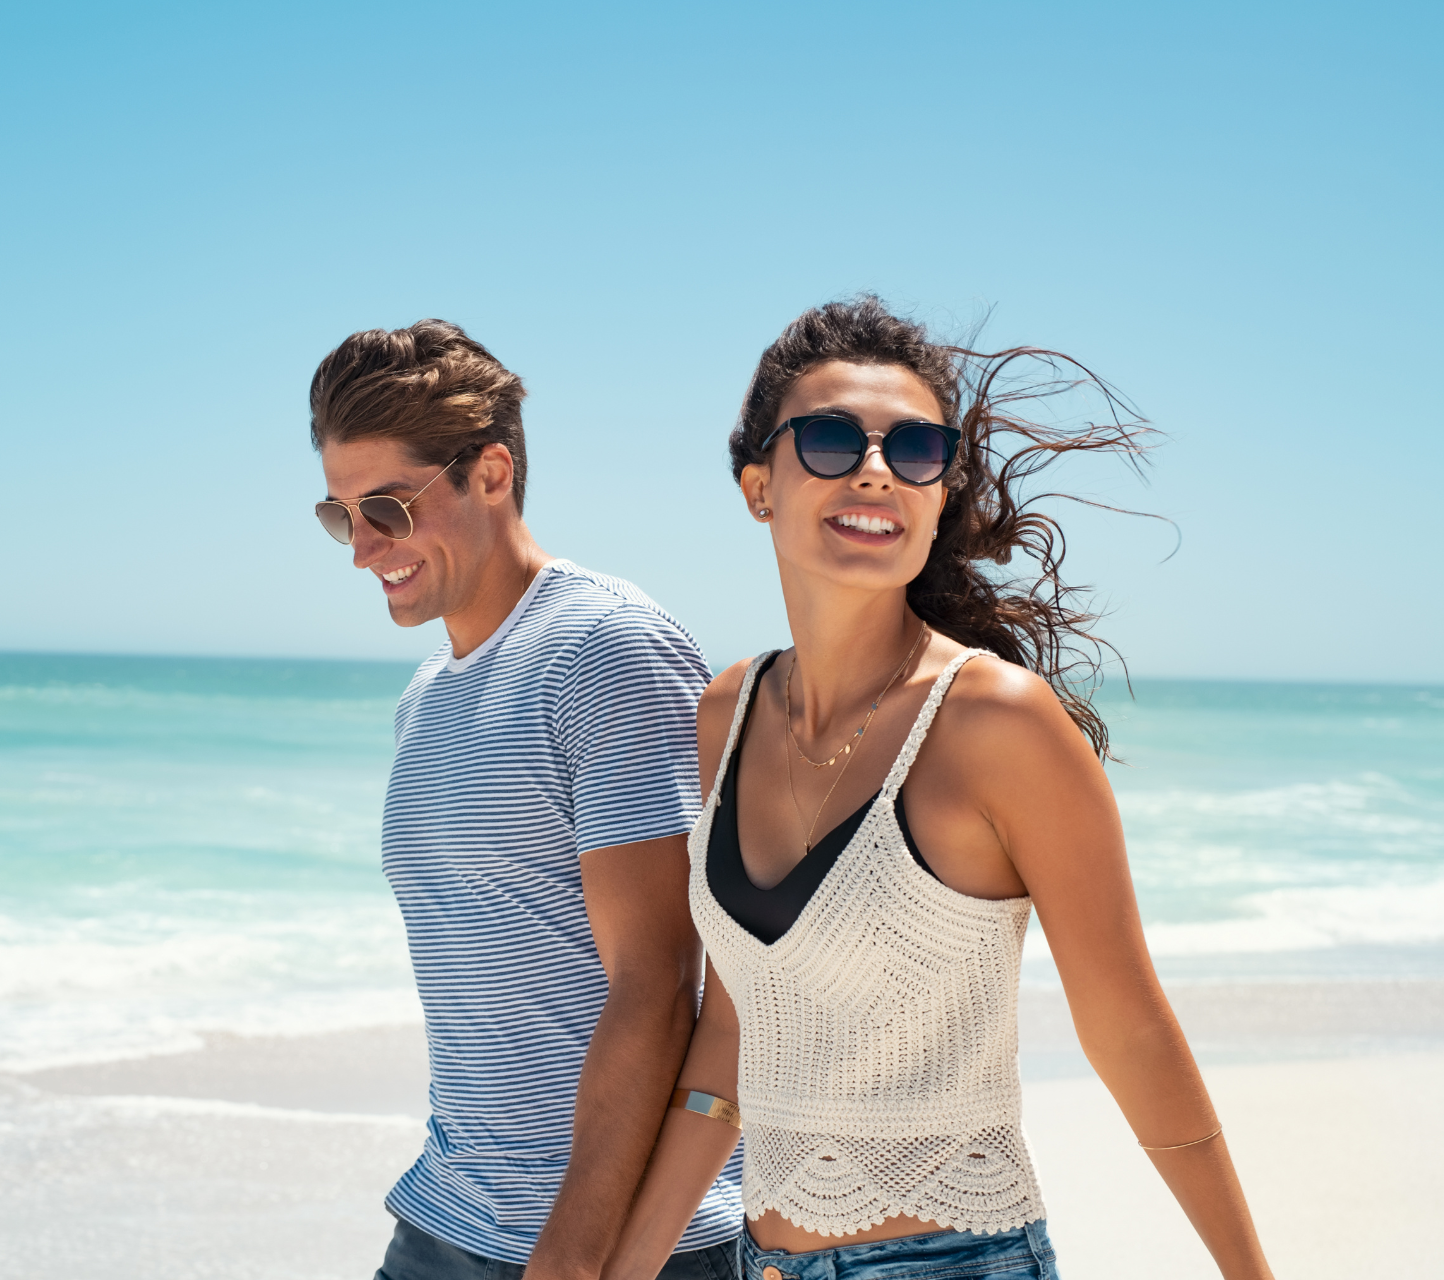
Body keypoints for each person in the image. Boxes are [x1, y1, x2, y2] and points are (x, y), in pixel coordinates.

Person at [602, 297, 1274, 1280]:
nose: (874, 466)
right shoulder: (727, 711)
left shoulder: (998, 720)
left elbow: (1129, 1028)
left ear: (938, 491)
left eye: (914, 447)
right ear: (759, 485)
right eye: (831, 438)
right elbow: (736, 1034)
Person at [308, 320, 742, 1280]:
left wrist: (576, 1254)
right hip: (451, 1218)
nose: (363, 549)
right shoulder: (428, 693)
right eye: (342, 517)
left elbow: (661, 979)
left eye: (387, 508)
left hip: (620, 1243)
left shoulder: (605, 652)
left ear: (491, 475)